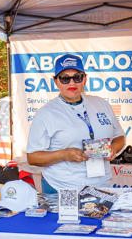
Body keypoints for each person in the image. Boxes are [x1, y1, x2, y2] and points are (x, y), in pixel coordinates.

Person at [26, 54, 125, 192]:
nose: (72, 83)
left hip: (102, 186)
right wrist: (64, 154)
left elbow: (119, 136)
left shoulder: (101, 104)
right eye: (65, 78)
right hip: (62, 188)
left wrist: (113, 148)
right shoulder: (45, 113)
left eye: (77, 77)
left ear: (84, 79)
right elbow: (32, 158)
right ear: (56, 81)